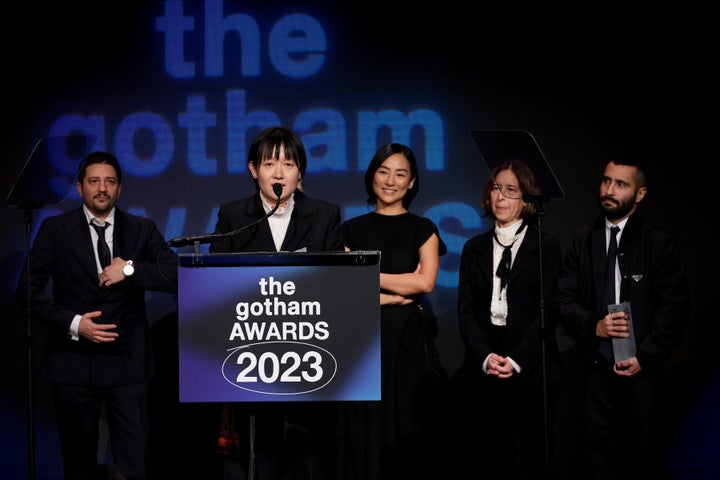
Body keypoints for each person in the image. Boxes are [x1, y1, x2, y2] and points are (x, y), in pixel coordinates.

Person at [14, 151, 179, 480]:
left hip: (128, 364)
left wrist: (129, 269)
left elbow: (175, 275)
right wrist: (76, 324)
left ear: (120, 189)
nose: (102, 188)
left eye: (110, 182)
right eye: (93, 181)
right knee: (79, 466)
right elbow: (26, 293)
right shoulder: (55, 229)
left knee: (134, 467)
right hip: (74, 363)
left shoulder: (141, 229)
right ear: (79, 188)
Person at [209, 125, 344, 479]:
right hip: (251, 355)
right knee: (260, 457)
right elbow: (213, 280)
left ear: (300, 171)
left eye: (288, 163)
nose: (279, 172)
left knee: (308, 459)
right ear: (254, 170)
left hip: (310, 353)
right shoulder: (233, 215)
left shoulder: (326, 214)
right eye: (269, 164)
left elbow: (337, 282)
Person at [553, 155, 690, 480]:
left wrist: (647, 354)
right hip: (596, 368)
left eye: (620, 184)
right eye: (606, 181)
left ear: (640, 194)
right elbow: (562, 298)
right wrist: (594, 325)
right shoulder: (584, 240)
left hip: (642, 372)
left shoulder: (657, 243)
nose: (609, 190)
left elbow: (675, 306)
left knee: (645, 453)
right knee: (601, 457)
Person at [337, 142, 449, 480]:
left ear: (412, 182)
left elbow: (426, 283)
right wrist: (391, 294)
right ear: (372, 175)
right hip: (363, 341)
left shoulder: (423, 227)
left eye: (400, 174)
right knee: (364, 428)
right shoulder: (349, 230)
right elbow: (346, 290)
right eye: (383, 171)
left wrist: (368, 275)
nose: (390, 180)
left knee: (407, 427)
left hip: (409, 344)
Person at [450, 159, 563, 480]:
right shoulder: (474, 248)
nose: (500, 197)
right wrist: (487, 357)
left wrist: (515, 361)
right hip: (487, 361)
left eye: (511, 190)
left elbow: (548, 310)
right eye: (496, 188)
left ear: (527, 199)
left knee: (534, 457)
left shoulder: (546, 247)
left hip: (531, 363)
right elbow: (466, 311)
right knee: (492, 457)